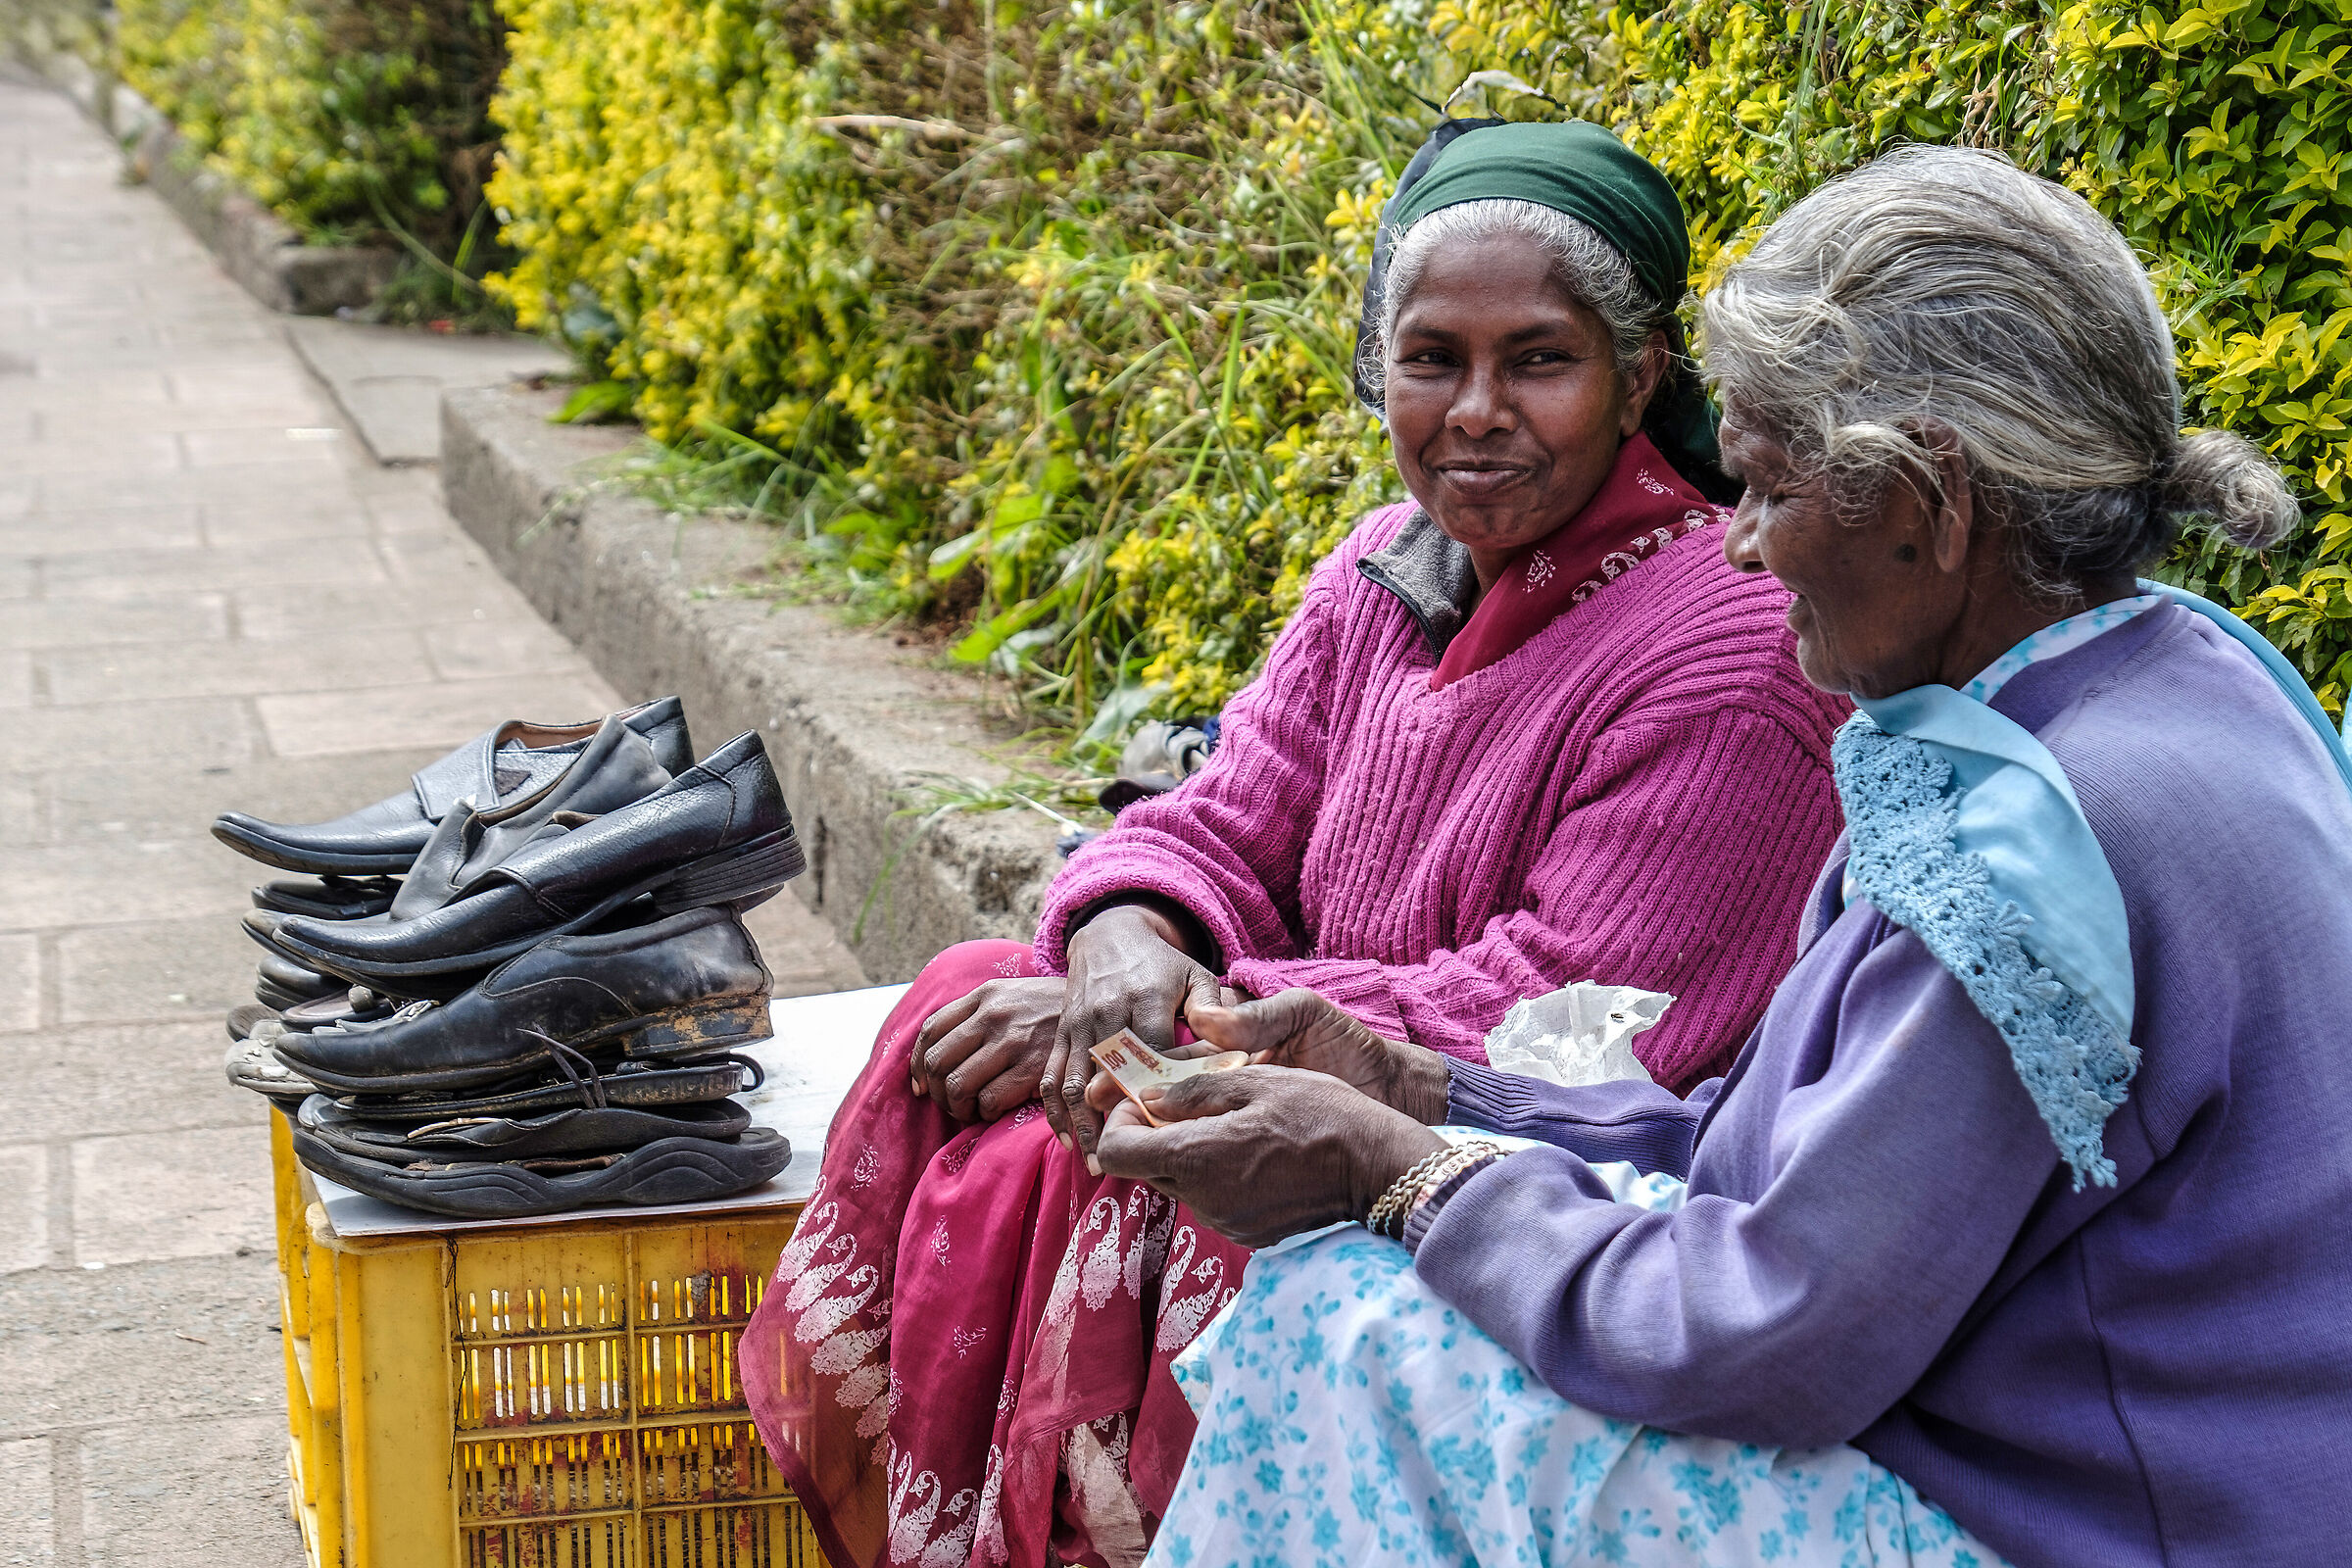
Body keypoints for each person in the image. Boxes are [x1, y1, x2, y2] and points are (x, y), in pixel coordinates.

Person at [1092, 145, 2352, 1568]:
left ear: (1929, 505)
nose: (1741, 548)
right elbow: (1778, 1157)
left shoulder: (2015, 848)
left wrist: (1401, 1173)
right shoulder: (2187, 678)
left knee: (1340, 1316)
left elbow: (1768, 1334)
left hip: (2113, 1525)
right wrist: (1415, 1084)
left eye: (1761, 486)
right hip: (2194, 1469)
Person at [742, 121, 1852, 1568]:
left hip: (1503, 1159)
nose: (1474, 412)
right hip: (1298, 1050)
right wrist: (1126, 941)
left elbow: (1570, 1009)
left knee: (1092, 1129)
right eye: (1431, 358)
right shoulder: (1390, 576)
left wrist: (1188, 1021)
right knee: (979, 988)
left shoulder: (1732, 645)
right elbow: (1219, 823)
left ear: (1640, 377)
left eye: (1539, 361)